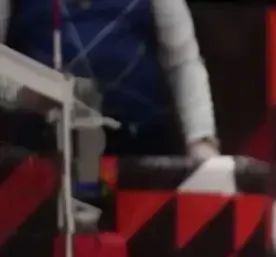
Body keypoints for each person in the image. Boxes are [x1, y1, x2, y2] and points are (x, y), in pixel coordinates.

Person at [1, 0, 218, 158]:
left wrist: (200, 140)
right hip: (42, 147)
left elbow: (182, 62)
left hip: (138, 146)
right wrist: (21, 94)